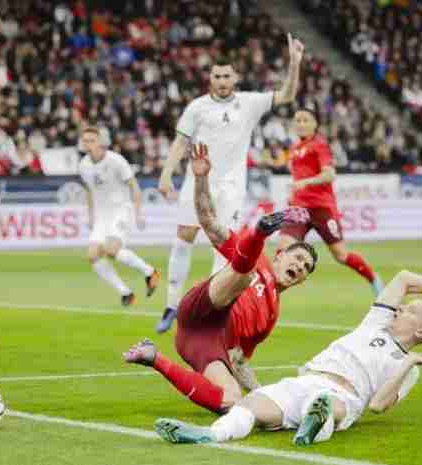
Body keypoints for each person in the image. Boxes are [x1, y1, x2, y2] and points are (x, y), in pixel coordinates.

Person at [152, 269, 422, 447]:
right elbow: (402, 278)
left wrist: (409, 363)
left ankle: (315, 423)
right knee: (249, 406)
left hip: (348, 395)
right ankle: (209, 435)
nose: (402, 306)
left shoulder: (408, 368)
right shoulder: (377, 321)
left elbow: (377, 405)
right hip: (306, 379)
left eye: (412, 310)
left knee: (326, 404)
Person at [124, 143, 318, 414]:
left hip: (203, 342)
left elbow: (238, 360)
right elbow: (209, 222)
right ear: (280, 255)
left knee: (232, 402)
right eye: (297, 258)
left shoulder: (271, 315)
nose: (300, 266)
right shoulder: (259, 261)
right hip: (203, 307)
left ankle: (152, 357)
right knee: (247, 272)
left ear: (302, 280)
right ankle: (258, 232)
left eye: (305, 267)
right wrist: (201, 177)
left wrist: (264, 395)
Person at [155, 34, 306, 334]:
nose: (222, 80)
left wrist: (294, 64)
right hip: (197, 180)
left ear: (235, 77)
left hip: (231, 187)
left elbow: (287, 96)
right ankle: (171, 304)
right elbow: (180, 142)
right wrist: (166, 172)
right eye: (217, 75)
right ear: (210, 78)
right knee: (184, 234)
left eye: (227, 75)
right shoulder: (196, 107)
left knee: (223, 244)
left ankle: (212, 308)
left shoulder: (250, 103)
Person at [277, 109, 383, 296]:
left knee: (341, 255)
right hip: (298, 209)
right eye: (298, 120)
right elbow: (298, 176)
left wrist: (305, 182)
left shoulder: (319, 145)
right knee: (283, 249)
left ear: (315, 124)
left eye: (305, 120)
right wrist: (293, 195)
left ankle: (373, 279)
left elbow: (330, 174)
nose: (301, 123)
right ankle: (269, 293)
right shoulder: (294, 148)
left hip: (321, 208)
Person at [78, 127, 160, 306]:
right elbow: (89, 191)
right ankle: (126, 293)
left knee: (111, 250)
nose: (88, 144)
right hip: (102, 216)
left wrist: (138, 213)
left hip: (121, 210)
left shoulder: (116, 160)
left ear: (100, 142)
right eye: (85, 141)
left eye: (92, 140)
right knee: (93, 255)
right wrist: (90, 215)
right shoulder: (84, 165)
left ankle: (150, 271)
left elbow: (134, 186)